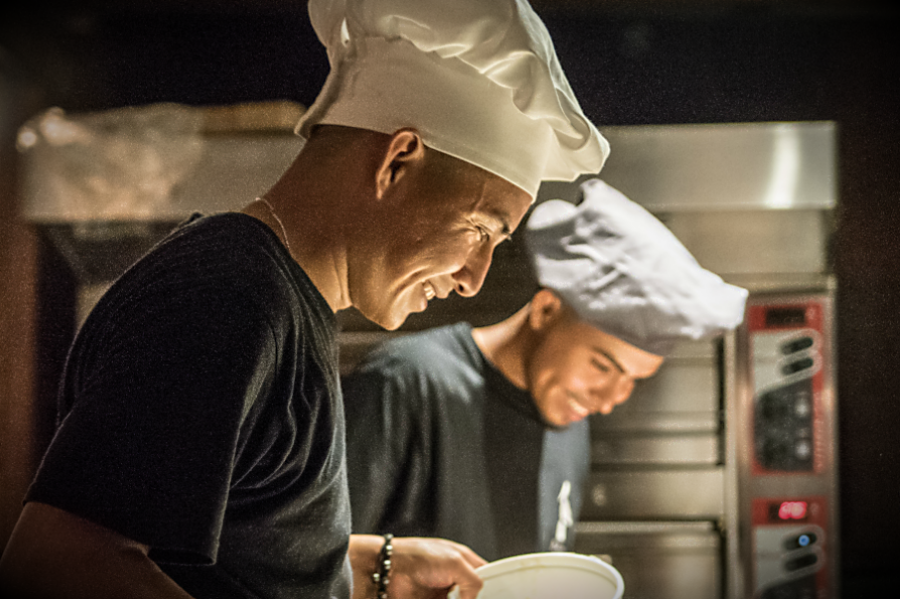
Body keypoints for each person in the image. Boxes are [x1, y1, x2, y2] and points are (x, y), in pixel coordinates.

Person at [0, 1, 610, 599]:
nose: (474, 279)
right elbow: (60, 560)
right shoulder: (227, 297)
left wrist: (371, 566)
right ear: (397, 161)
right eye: (482, 230)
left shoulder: (287, 305)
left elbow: (236, 549)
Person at [342, 178, 749, 561]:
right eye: (602, 366)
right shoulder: (406, 382)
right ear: (546, 309)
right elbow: (321, 566)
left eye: (633, 381)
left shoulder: (569, 415)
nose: (608, 400)